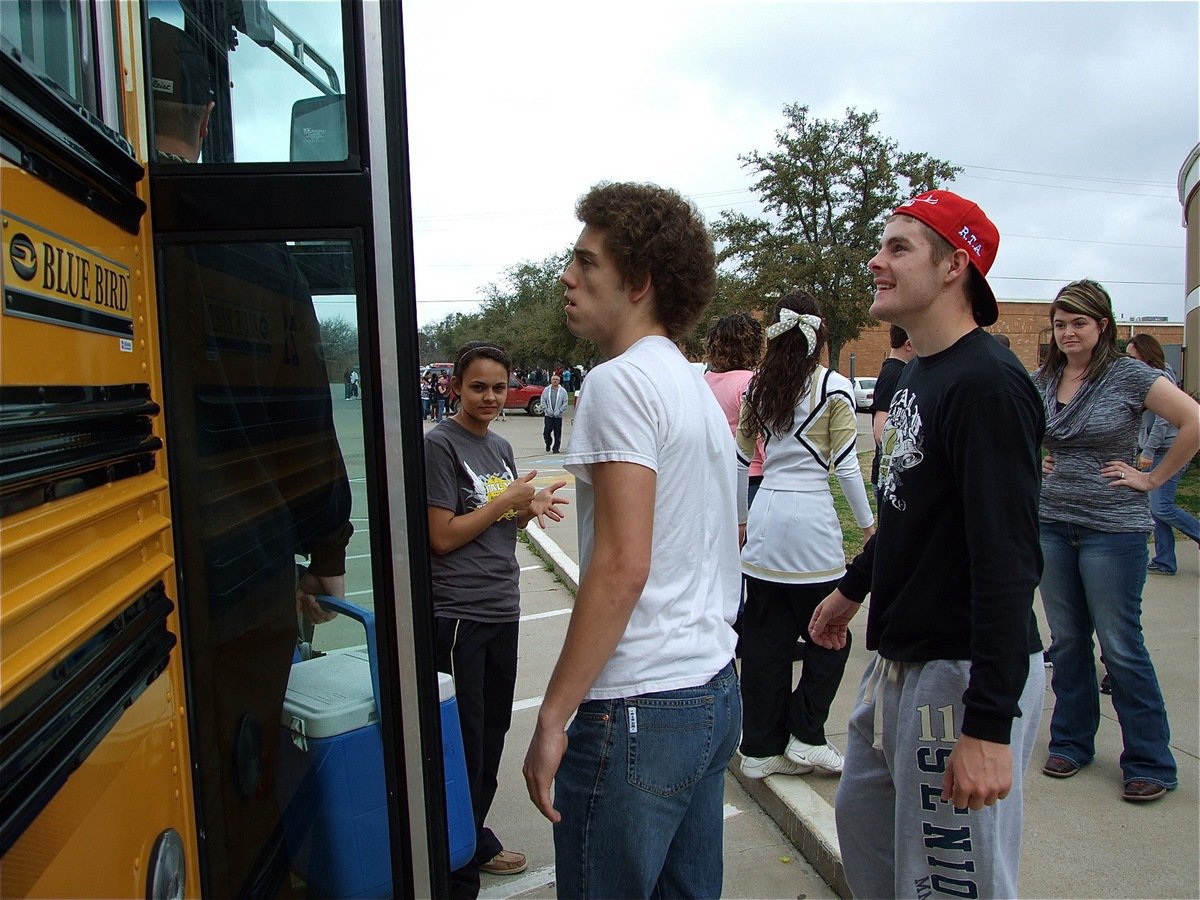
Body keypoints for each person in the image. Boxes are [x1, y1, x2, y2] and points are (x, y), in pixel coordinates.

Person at [148, 18, 354, 895]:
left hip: (153, 571)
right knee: (241, 790)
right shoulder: (259, 258)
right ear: (203, 118)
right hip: (240, 579)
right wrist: (326, 556)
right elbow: (302, 424)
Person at [809, 189, 1046, 898]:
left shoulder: (988, 387)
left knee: (951, 880)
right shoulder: (920, 372)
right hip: (900, 660)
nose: (876, 261)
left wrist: (988, 725)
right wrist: (853, 590)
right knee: (870, 835)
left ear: (954, 266)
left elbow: (1008, 563)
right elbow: (908, 509)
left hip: (962, 667)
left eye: (898, 247)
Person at [522, 182, 741, 898]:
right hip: (710, 687)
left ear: (639, 282)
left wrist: (553, 717)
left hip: (640, 705)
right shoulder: (689, 385)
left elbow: (621, 566)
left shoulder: (618, 384)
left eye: (586, 262)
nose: (567, 276)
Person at [1034, 281, 1198, 803]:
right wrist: (1031, 460)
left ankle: (1150, 760)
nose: (1068, 332)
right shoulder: (1044, 378)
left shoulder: (1131, 376)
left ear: (1101, 325)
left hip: (1114, 529)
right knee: (1066, 640)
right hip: (1052, 523)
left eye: (1079, 322)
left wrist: (1151, 479)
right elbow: (1017, 431)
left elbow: (1193, 420)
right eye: (1061, 324)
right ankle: (1072, 741)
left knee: (1121, 646)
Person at [425, 341, 568, 898]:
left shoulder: (503, 446)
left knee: (491, 735)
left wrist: (524, 511)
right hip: (458, 615)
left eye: (499, 388)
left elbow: (498, 526)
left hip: (500, 608)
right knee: (463, 742)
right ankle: (452, 864)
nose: (489, 397)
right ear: (455, 387)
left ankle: (471, 835)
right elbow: (442, 537)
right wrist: (505, 501)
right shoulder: (440, 447)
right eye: (478, 386)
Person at [735, 293, 875, 780]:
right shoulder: (836, 388)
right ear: (823, 337)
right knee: (830, 634)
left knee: (764, 642)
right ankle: (807, 735)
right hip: (814, 528)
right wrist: (870, 528)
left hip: (766, 522)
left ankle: (759, 747)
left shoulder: (758, 387)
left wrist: (739, 518)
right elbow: (848, 467)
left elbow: (739, 461)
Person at [1127, 333, 1200, 576]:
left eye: (1132, 357)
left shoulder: (1160, 379)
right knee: (1156, 508)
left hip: (1167, 450)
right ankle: (1165, 561)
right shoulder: (1143, 378)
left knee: (1162, 508)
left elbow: (1161, 421)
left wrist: (1147, 450)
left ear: (1146, 356)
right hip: (1156, 449)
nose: (1128, 362)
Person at [870, 324, 915, 507]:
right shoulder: (894, 374)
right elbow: (881, 432)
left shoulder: (898, 371)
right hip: (887, 479)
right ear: (909, 344)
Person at [540, 373, 569, 452]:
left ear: (559, 381)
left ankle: (556, 448)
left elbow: (565, 402)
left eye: (557, 380)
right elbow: (543, 400)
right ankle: (548, 443)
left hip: (558, 416)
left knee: (557, 433)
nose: (555, 381)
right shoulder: (546, 390)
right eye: (553, 379)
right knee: (546, 431)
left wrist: (559, 410)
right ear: (551, 380)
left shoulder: (563, 391)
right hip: (548, 415)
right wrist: (546, 409)